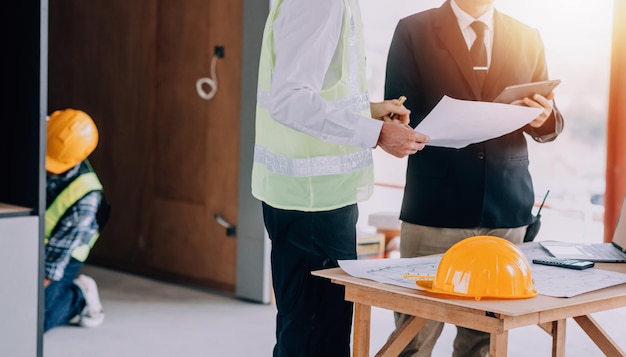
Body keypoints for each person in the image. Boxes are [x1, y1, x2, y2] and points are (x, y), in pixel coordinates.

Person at [384, 1, 564, 356]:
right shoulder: (414, 30)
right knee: (413, 339)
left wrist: (542, 115)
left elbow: (549, 121)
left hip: (506, 209)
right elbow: (398, 112)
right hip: (436, 206)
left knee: (483, 342)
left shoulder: (528, 36)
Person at [251, 0, 430, 355]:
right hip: (313, 206)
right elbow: (290, 100)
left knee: (306, 331)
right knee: (317, 339)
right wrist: (374, 133)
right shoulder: (321, 2)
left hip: (311, 200)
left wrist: (370, 112)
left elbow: (319, 89)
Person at [44, 108, 110, 332]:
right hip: (27, 240)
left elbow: (50, 268)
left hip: (60, 256)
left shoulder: (84, 199)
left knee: (30, 320)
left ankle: (80, 295)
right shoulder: (42, 130)